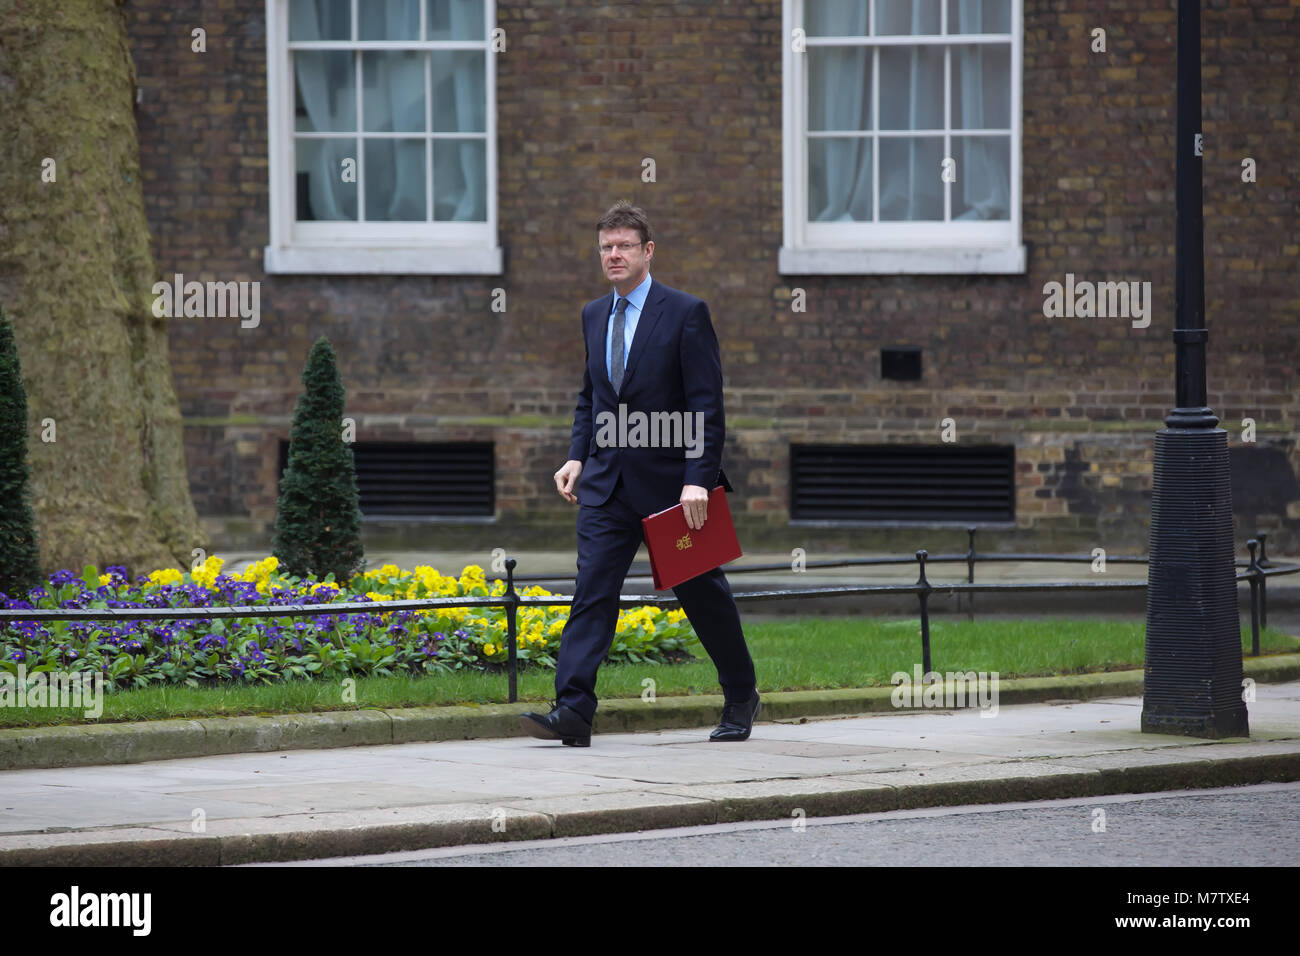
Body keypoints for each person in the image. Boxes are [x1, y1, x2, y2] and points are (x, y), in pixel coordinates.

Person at [519, 200, 760, 747]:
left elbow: (706, 405)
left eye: (624, 245)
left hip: (675, 489)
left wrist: (698, 477)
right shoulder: (592, 314)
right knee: (592, 592)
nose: (614, 255)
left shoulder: (685, 313)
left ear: (648, 252)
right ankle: (573, 711)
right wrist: (577, 455)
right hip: (606, 485)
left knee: (702, 595)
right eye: (606, 247)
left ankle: (741, 693)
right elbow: (591, 398)